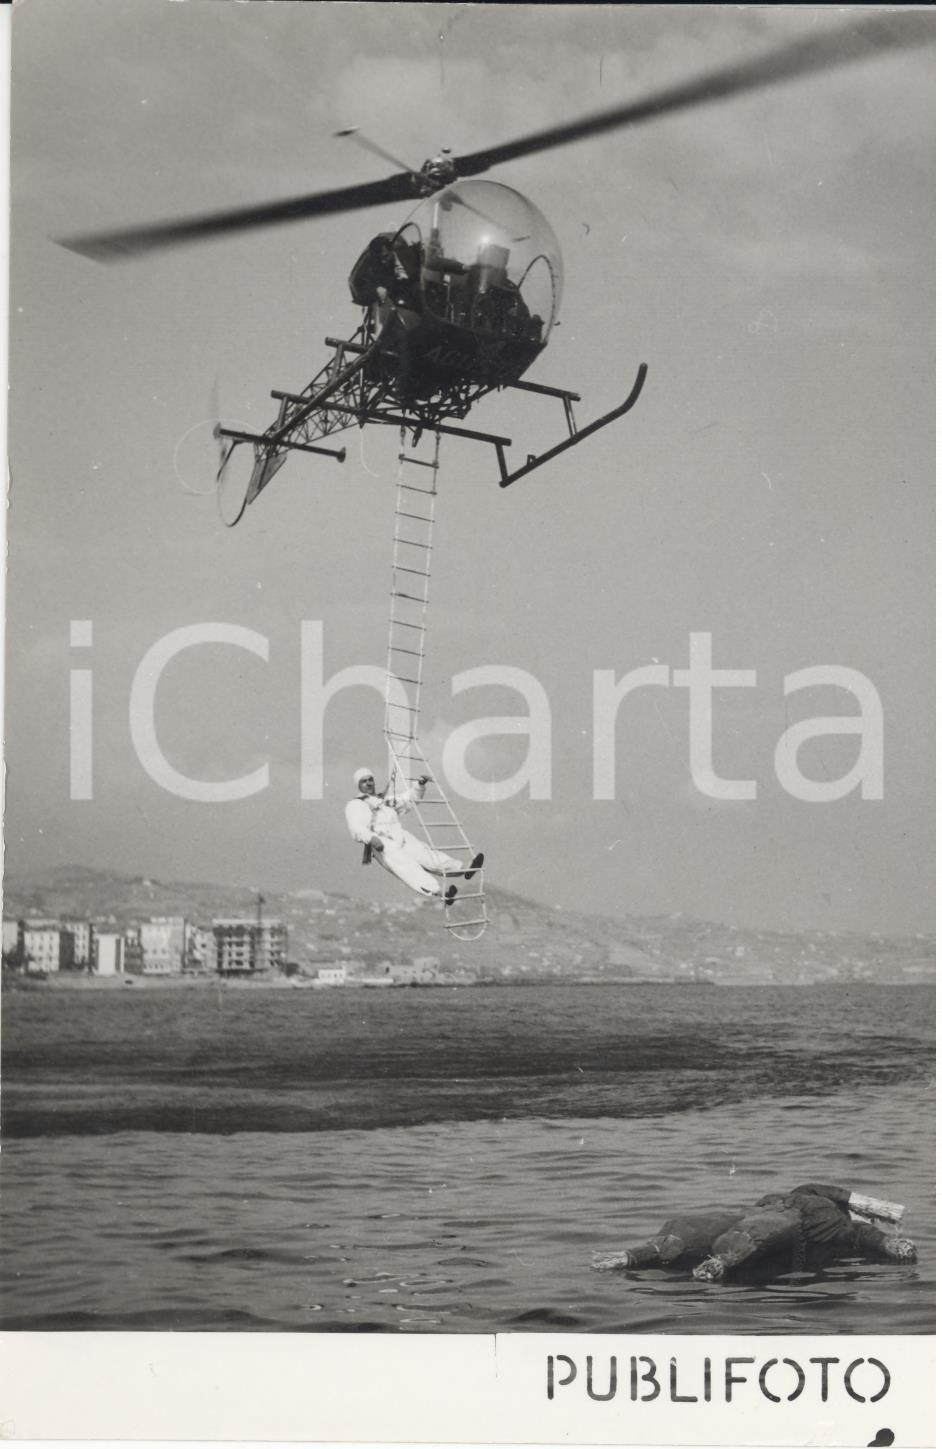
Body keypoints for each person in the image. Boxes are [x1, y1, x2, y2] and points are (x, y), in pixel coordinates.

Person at [591, 1182, 916, 1282]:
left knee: (727, 1230)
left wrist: (891, 1243)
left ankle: (628, 1257)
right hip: (776, 1217)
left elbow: (870, 1235)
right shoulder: (836, 1216)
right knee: (740, 1231)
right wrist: (893, 1242)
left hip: (766, 1215)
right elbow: (869, 1231)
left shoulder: (843, 1224)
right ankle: (717, 1263)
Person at [344, 767, 483, 901]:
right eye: (364, 781)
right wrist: (371, 838)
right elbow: (356, 827)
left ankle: (463, 868)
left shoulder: (384, 800)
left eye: (370, 780)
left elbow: (407, 800)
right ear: (358, 785)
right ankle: (440, 891)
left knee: (426, 854)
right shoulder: (355, 804)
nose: (368, 783)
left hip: (399, 835)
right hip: (382, 843)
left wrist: (419, 785)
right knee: (407, 867)